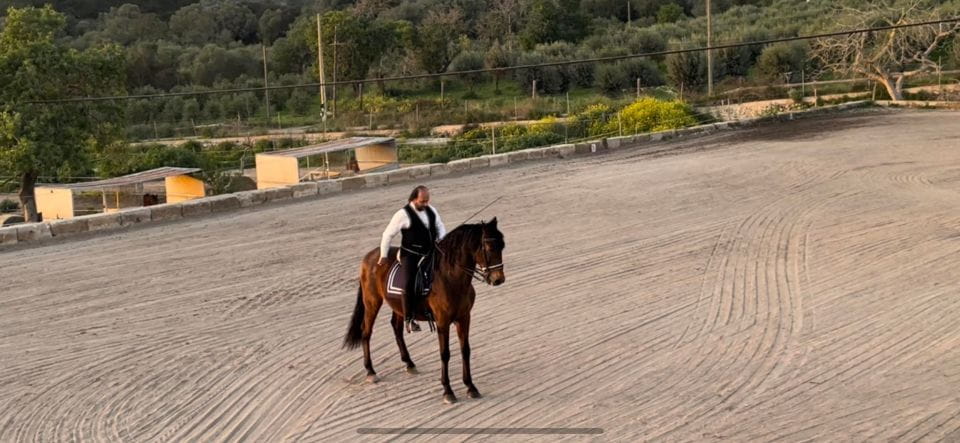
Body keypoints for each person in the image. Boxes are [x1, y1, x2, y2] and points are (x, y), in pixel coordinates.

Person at [379, 185, 447, 332]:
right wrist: (384, 255)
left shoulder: (431, 210)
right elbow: (387, 235)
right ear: (413, 199)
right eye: (422, 201)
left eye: (427, 201)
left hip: (431, 251)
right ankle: (409, 319)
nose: (426, 204)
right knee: (409, 282)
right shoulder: (402, 214)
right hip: (410, 255)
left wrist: (442, 239)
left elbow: (440, 226)